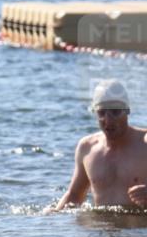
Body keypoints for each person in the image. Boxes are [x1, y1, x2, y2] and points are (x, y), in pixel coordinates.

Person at [51, 80, 147, 212]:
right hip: (100, 224)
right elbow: (74, 195)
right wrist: (50, 218)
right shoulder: (87, 148)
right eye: (102, 113)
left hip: (138, 224)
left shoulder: (144, 143)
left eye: (115, 112)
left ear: (127, 111)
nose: (108, 120)